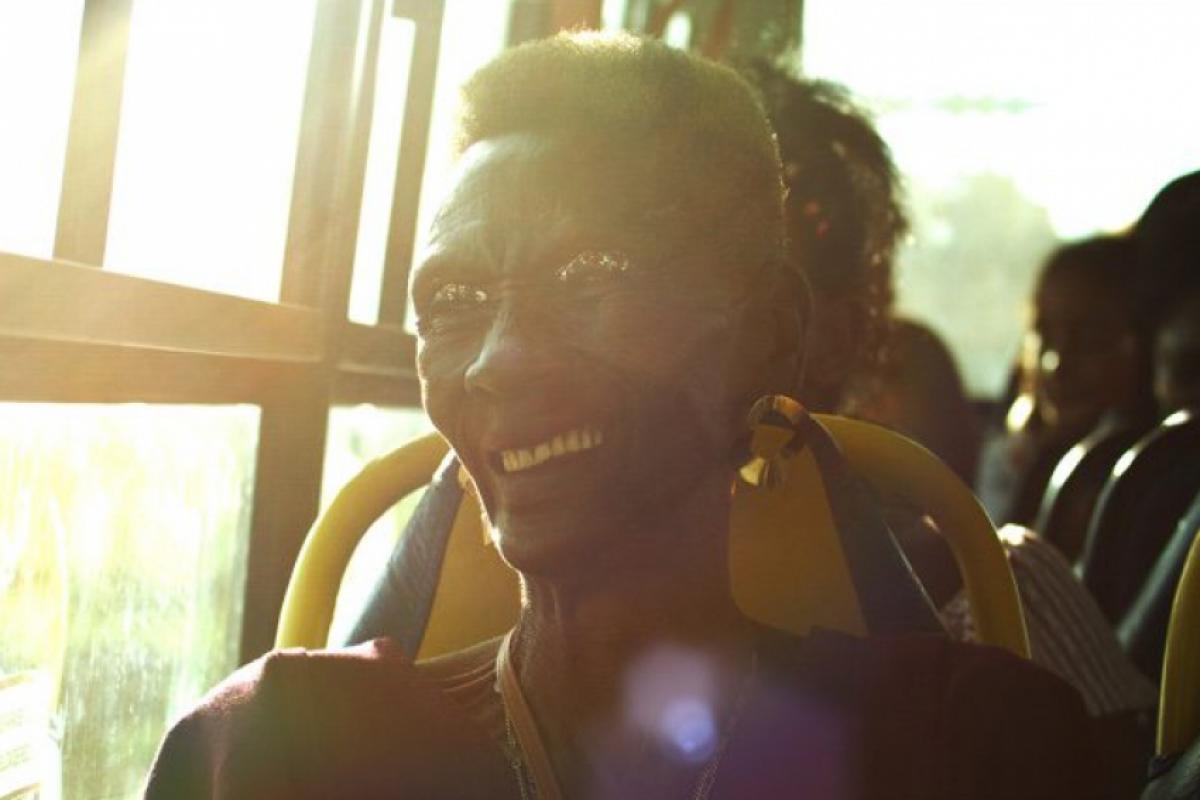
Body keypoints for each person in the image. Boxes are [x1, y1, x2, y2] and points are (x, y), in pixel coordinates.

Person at [144, 32, 1104, 798]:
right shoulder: (271, 749)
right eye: (452, 302)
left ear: (769, 337)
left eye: (589, 275)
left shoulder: (966, 748)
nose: (497, 360)